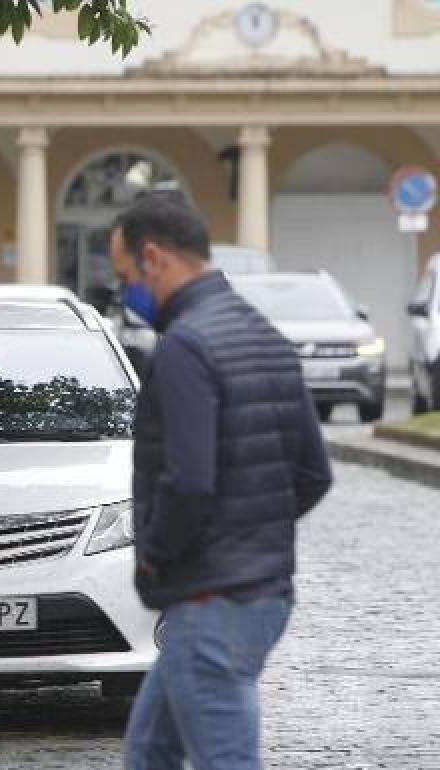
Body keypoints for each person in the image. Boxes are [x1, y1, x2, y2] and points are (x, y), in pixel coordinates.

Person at [110, 194, 333, 770]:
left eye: (126, 276)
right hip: (261, 590)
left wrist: (154, 555)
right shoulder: (264, 334)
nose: (128, 292)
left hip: (211, 600)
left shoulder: (185, 346)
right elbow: (314, 473)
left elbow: (188, 484)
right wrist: (251, 529)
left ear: (155, 257)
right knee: (149, 752)